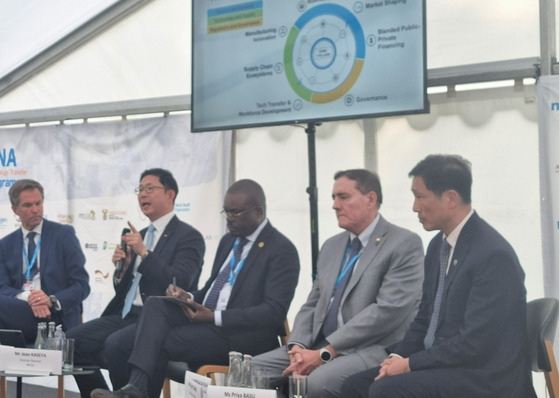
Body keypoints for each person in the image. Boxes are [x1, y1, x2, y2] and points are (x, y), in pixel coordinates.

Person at [342, 155, 537, 398]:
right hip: (446, 366)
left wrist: (410, 364)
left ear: (451, 198)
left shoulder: (492, 255)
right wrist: (397, 358)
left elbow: (475, 344)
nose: (415, 207)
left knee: (386, 390)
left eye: (420, 196)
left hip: (485, 379)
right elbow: (424, 319)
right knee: (354, 386)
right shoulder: (438, 246)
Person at [90, 178, 300, 398]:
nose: (228, 219)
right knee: (141, 319)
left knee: (158, 341)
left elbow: (274, 312)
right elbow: (212, 289)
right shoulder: (229, 241)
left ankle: (137, 391)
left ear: (258, 212)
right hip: (206, 324)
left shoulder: (281, 250)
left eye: (234, 213)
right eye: (225, 212)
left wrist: (215, 317)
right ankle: (135, 389)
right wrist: (188, 295)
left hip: (240, 336)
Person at [252, 169, 424, 398]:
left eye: (344, 197)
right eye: (333, 197)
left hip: (370, 347)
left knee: (317, 382)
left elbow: (387, 311)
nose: (334, 205)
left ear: (371, 199)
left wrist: (327, 351)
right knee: (250, 370)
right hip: (317, 345)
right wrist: (298, 346)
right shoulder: (331, 246)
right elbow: (312, 303)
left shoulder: (403, 243)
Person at [67, 168, 205, 398]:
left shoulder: (188, 236)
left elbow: (180, 281)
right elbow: (126, 289)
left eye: (150, 188)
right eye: (140, 189)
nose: (142, 195)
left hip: (157, 318)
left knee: (115, 344)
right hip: (125, 313)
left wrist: (144, 252)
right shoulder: (139, 234)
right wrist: (122, 271)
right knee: (71, 342)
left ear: (170, 194)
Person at [0, 179, 89, 342]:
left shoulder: (64, 235)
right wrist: (29, 297)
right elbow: (2, 287)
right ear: (15, 210)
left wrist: (50, 300)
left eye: (38, 203)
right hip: (22, 311)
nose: (35, 210)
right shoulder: (5, 245)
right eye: (28, 205)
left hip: (56, 315)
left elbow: (82, 285)